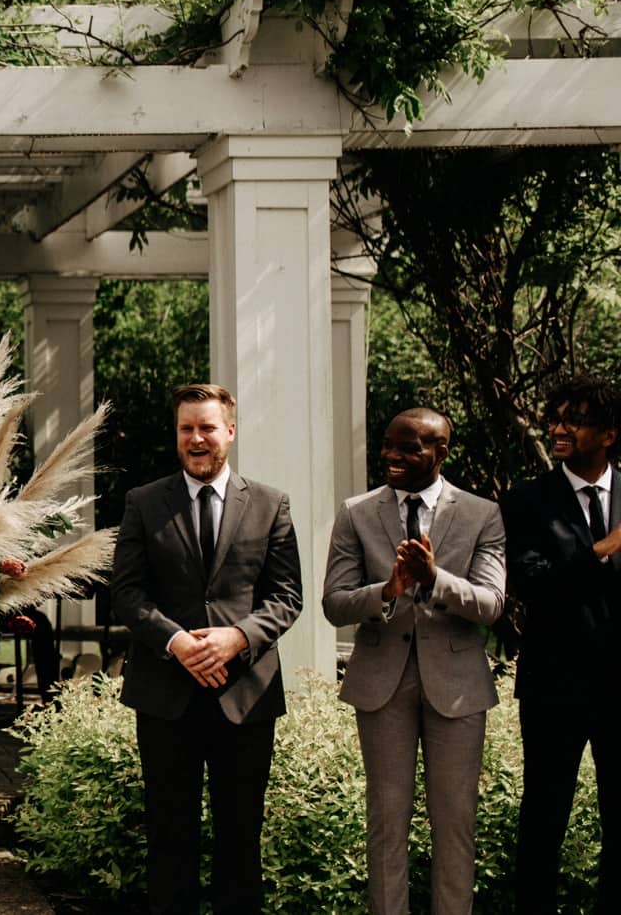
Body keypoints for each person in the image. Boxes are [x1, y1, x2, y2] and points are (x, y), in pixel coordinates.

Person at [110, 383, 302, 915]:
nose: (196, 439)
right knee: (169, 838)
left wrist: (236, 638)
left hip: (245, 697)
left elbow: (287, 596)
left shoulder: (270, 504)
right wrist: (175, 641)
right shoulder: (144, 502)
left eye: (207, 428)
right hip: (164, 695)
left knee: (241, 840)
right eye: (186, 429)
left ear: (230, 433)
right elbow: (126, 592)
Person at [321, 409, 504, 915]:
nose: (390, 456)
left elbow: (491, 604)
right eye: (387, 445)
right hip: (382, 685)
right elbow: (334, 602)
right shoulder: (356, 511)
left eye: (407, 448)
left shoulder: (481, 513)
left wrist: (434, 579)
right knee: (386, 825)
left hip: (458, 686)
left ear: (441, 452)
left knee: (455, 825)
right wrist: (387, 590)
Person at [505, 376, 621, 911]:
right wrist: (603, 549)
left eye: (575, 419)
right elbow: (530, 581)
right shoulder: (527, 499)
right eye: (555, 417)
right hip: (556, 683)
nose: (558, 427)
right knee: (545, 816)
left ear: (611, 432)